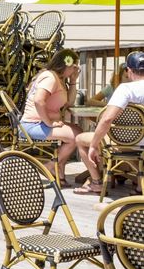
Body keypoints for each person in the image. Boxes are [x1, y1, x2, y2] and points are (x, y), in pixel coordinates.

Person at [74, 52, 144, 196]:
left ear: (129, 70)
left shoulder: (126, 89)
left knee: (80, 139)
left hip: (123, 143)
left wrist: (93, 145)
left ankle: (96, 183)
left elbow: (107, 119)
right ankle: (138, 187)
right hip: (142, 143)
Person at [19, 48, 82, 186]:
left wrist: (73, 81)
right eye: (75, 67)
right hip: (33, 124)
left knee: (78, 132)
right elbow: (38, 100)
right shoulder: (50, 77)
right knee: (76, 136)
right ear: (67, 64)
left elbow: (69, 102)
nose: (76, 70)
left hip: (43, 123)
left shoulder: (59, 79)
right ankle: (50, 165)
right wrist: (48, 123)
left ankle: (57, 171)